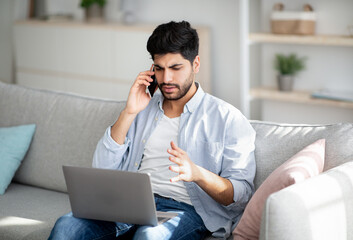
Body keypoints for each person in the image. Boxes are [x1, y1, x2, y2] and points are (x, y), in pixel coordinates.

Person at [49, 20, 256, 240]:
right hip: (128, 204)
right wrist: (129, 112)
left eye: (176, 68)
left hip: (183, 210)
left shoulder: (227, 118)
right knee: (67, 227)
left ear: (195, 64)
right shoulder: (142, 110)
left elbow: (241, 194)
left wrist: (197, 173)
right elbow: (102, 168)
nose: (166, 79)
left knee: (149, 236)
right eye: (159, 68)